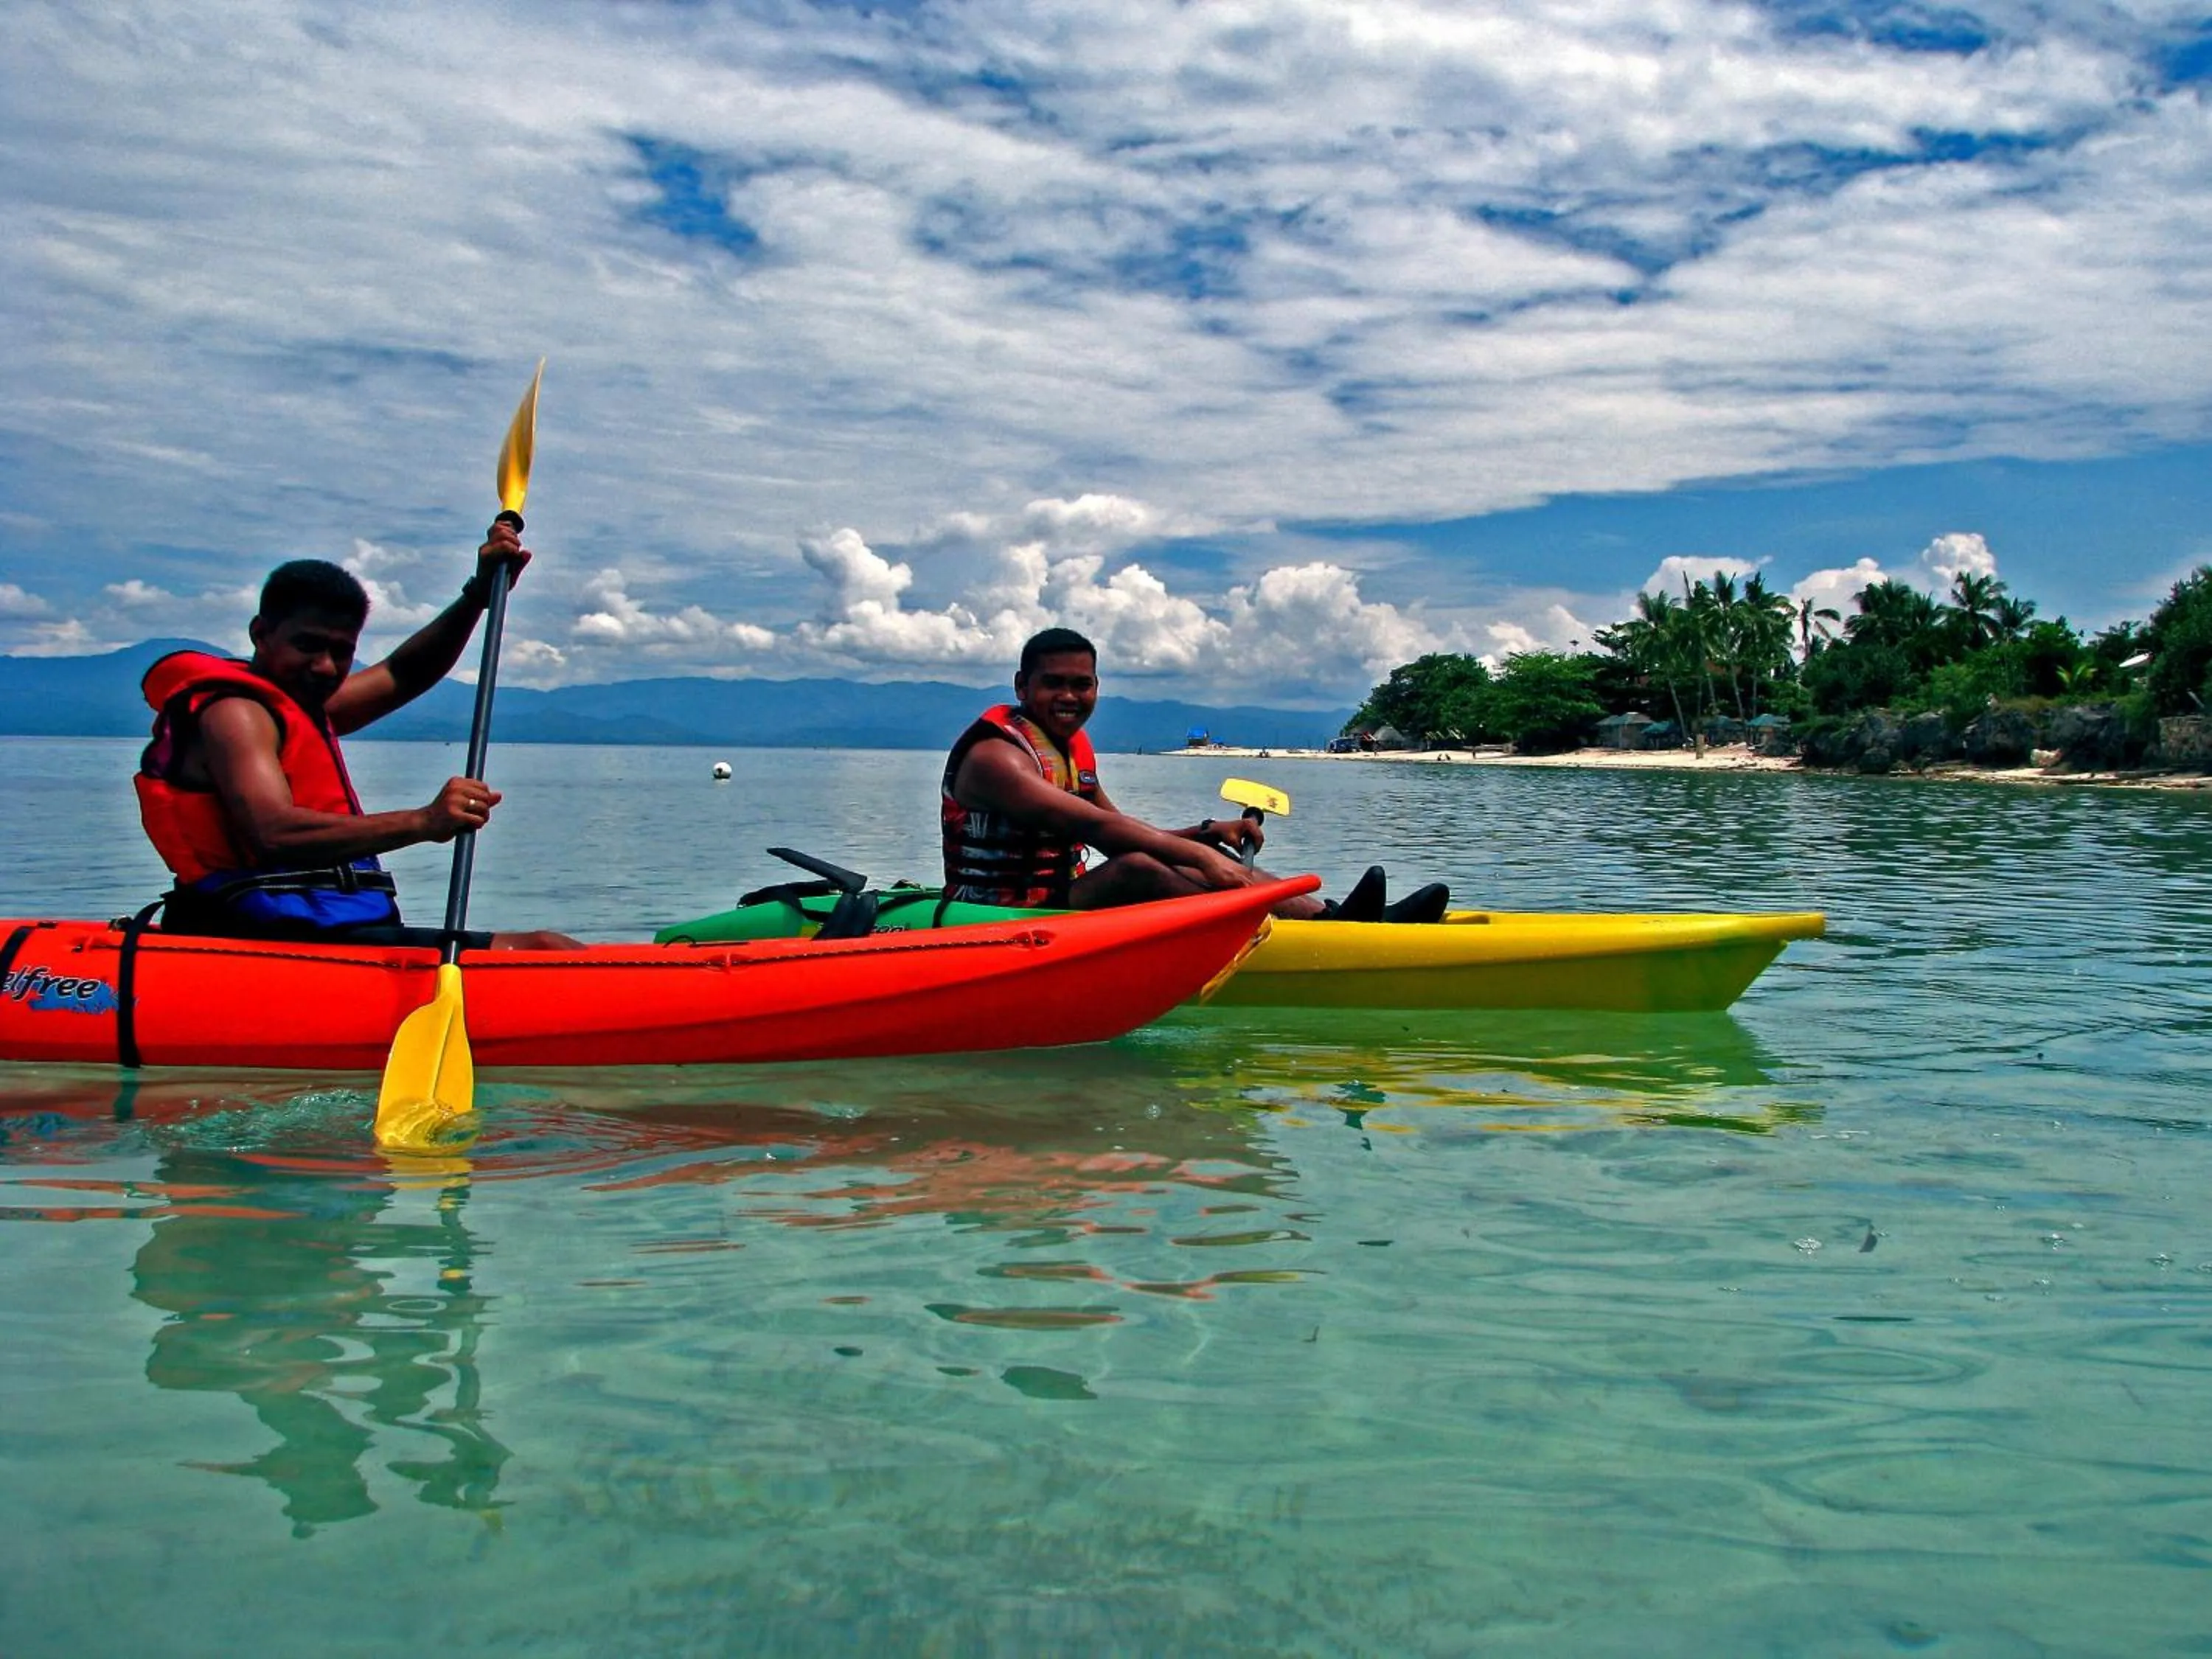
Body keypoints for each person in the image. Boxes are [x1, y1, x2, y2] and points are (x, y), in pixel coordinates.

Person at [134, 519, 577, 949]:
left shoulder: (299, 705)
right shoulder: (236, 714)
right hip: (257, 934)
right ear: (260, 634)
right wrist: (424, 821)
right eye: (308, 645)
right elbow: (272, 833)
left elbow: (402, 673)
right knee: (544, 949)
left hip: (319, 928)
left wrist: (478, 594)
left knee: (547, 945)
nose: (325, 666)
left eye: (342, 652)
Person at [940, 627, 1447, 921]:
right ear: (1022, 686)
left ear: (1097, 686)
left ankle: (1331, 918)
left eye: (1082, 684)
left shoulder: (1067, 749)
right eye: (1054, 683)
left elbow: (1123, 829)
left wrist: (1207, 835)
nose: (1070, 697)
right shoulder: (996, 758)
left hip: (1058, 899)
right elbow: (1099, 830)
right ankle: (1290, 933)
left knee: (1202, 856)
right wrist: (1199, 855)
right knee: (1139, 869)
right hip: (999, 911)